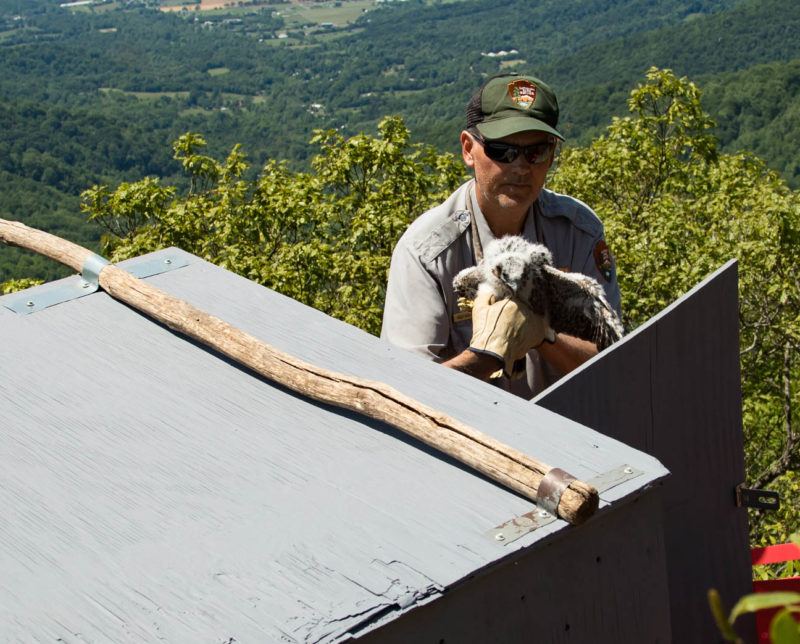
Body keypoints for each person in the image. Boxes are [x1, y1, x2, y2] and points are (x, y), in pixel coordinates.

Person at [380, 73, 621, 399]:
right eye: (502, 150)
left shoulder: (578, 232)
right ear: (468, 149)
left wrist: (543, 337)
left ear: (551, 155)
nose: (521, 167)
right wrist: (488, 353)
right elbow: (406, 392)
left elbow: (616, 363)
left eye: (535, 152)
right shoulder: (426, 253)